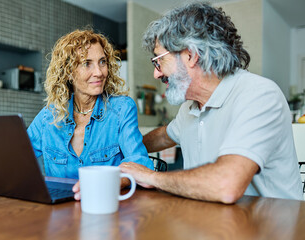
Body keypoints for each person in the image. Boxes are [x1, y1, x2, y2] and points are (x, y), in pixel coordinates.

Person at [0, 29, 153, 199]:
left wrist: (110, 183)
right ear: (69, 72)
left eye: (102, 62)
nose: (99, 72)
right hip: (57, 215)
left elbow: (139, 162)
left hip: (109, 209)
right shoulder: (50, 116)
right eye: (87, 64)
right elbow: (13, 156)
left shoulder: (122, 109)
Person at [120, 3, 303, 203]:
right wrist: (119, 148)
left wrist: (149, 176)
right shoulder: (190, 108)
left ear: (190, 55)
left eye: (159, 61)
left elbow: (227, 185)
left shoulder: (259, 96)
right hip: (215, 225)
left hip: (270, 229)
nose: (156, 73)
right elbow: (165, 136)